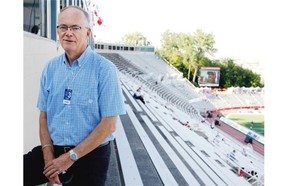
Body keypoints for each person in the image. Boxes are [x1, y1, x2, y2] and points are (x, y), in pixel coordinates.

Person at [24, 6, 126, 186]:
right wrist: (49, 158)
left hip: (91, 156)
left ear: (87, 33)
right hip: (54, 150)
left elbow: (109, 125)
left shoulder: (105, 70)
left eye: (75, 28)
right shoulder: (50, 68)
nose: (68, 33)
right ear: (57, 31)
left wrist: (70, 158)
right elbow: (44, 116)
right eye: (63, 27)